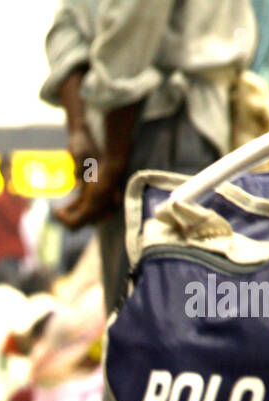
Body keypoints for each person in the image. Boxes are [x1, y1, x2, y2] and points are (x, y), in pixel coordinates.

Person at [41, 0, 255, 314]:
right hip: (114, 138)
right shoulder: (98, 154)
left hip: (159, 124)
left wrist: (98, 149)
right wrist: (87, 140)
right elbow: (77, 29)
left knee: (158, 314)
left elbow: (127, 36)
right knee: (143, 318)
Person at [0, 153, 29, 287]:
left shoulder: (7, 198)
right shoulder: (2, 200)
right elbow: (14, 219)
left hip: (9, 254)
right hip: (5, 255)